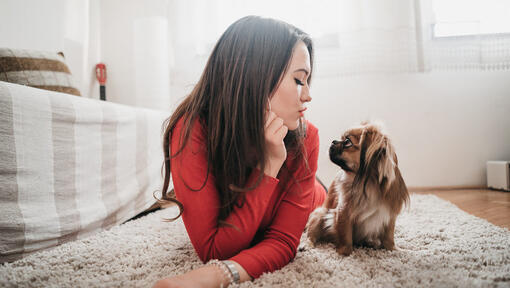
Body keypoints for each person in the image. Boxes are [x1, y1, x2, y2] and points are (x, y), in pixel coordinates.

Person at [154, 16, 326, 288]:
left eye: (307, 81)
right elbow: (214, 249)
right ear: (256, 75)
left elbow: (282, 242)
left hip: (313, 197)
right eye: (298, 80)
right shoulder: (192, 130)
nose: (307, 96)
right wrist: (268, 166)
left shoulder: (307, 137)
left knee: (328, 202)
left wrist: (216, 276)